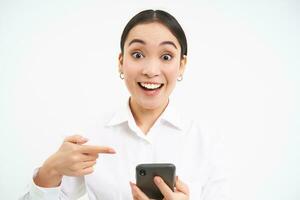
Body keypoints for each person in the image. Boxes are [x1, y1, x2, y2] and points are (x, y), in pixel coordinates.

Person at [19, 9, 228, 200]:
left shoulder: (206, 141)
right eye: (138, 54)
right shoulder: (89, 137)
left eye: (166, 56)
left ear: (181, 65)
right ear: (121, 61)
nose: (151, 70)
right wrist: (50, 171)